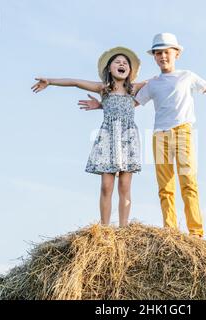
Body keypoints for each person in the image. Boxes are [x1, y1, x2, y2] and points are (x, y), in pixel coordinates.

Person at [80, 33, 206, 238]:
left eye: (166, 52)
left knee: (188, 182)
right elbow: (126, 105)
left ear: (176, 53)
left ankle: (195, 233)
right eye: (158, 53)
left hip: (183, 132)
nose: (162, 57)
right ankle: (171, 232)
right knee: (165, 188)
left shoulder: (187, 76)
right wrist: (101, 106)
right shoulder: (152, 84)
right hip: (159, 136)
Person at [31, 47, 146, 227]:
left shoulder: (135, 89)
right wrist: (51, 81)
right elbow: (75, 82)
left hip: (127, 139)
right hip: (109, 137)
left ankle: (124, 229)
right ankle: (105, 228)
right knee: (106, 186)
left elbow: (160, 81)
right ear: (109, 69)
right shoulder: (104, 89)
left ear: (130, 71)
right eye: (118, 62)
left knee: (124, 185)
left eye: (125, 63)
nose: (122, 64)